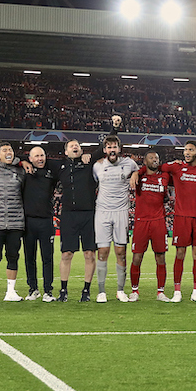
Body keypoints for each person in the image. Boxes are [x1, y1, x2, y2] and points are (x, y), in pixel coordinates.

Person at [160, 139, 196, 302]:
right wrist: (173, 161)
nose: (187, 153)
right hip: (181, 217)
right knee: (180, 253)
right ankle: (177, 292)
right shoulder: (177, 168)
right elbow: (162, 167)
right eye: (185, 150)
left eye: (190, 150)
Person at [91, 129, 139, 303]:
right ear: (105, 150)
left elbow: (139, 171)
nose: (112, 150)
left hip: (121, 212)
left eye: (115, 147)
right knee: (102, 252)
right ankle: (101, 292)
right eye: (109, 147)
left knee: (121, 252)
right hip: (102, 212)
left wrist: (135, 173)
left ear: (119, 149)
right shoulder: (97, 166)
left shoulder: (129, 164)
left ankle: (120, 291)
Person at [55, 138, 97, 302]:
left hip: (88, 214)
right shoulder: (60, 166)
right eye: (71, 146)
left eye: (77, 145)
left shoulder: (89, 163)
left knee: (89, 254)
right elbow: (37, 159)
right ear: (66, 152)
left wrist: (114, 128)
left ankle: (86, 291)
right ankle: (63, 291)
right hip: (68, 215)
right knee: (66, 254)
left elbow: (103, 148)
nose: (75, 147)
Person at [0, 142, 27, 302]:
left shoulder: (21, 171)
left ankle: (10, 292)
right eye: (4, 150)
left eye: (10, 149)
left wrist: (23, 161)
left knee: (13, 256)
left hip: (16, 222)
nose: (8, 152)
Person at [129, 150, 172, 302]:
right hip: (141, 221)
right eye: (151, 158)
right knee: (137, 257)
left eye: (157, 158)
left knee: (160, 257)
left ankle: (161, 292)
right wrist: (136, 173)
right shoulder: (139, 176)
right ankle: (134, 291)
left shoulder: (165, 176)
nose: (155, 160)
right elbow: (135, 172)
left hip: (158, 221)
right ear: (145, 162)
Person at [22, 145, 61, 301]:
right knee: (29, 257)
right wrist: (21, 162)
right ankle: (33, 289)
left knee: (47, 257)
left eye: (42, 155)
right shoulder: (25, 172)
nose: (40, 159)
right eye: (36, 156)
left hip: (46, 221)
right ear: (30, 159)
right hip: (29, 221)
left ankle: (48, 291)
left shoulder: (51, 173)